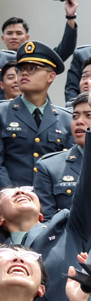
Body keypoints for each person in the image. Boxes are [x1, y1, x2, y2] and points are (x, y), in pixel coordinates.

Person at [0, 41, 73, 205]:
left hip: (51, 208)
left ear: (51, 76)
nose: (24, 73)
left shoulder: (66, 119)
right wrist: (13, 197)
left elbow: (68, 167)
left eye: (32, 69)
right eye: (21, 69)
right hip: (8, 206)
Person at [35, 91, 90, 220]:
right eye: (75, 116)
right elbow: (48, 223)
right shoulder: (50, 167)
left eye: (89, 115)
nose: (79, 121)